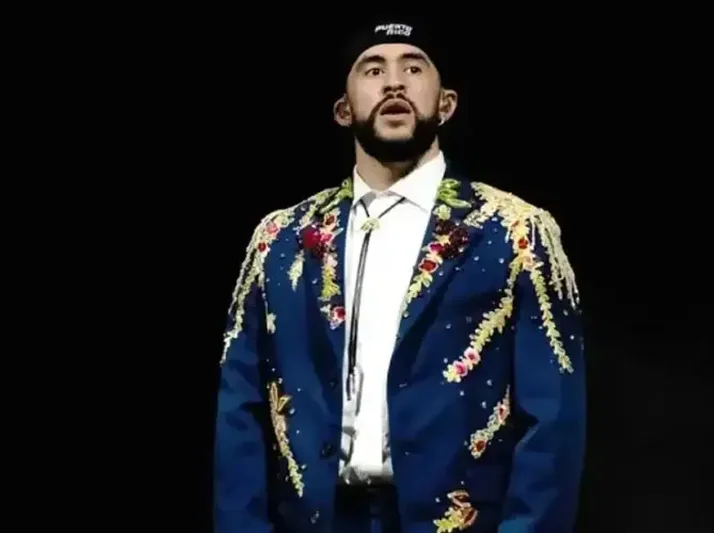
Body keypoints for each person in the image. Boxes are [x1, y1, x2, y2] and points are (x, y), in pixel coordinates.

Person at [213, 18, 586, 533]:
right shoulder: (279, 239)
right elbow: (241, 407)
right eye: (373, 69)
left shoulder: (515, 232)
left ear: (446, 103)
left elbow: (553, 419)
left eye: (413, 68)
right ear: (343, 110)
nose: (394, 82)